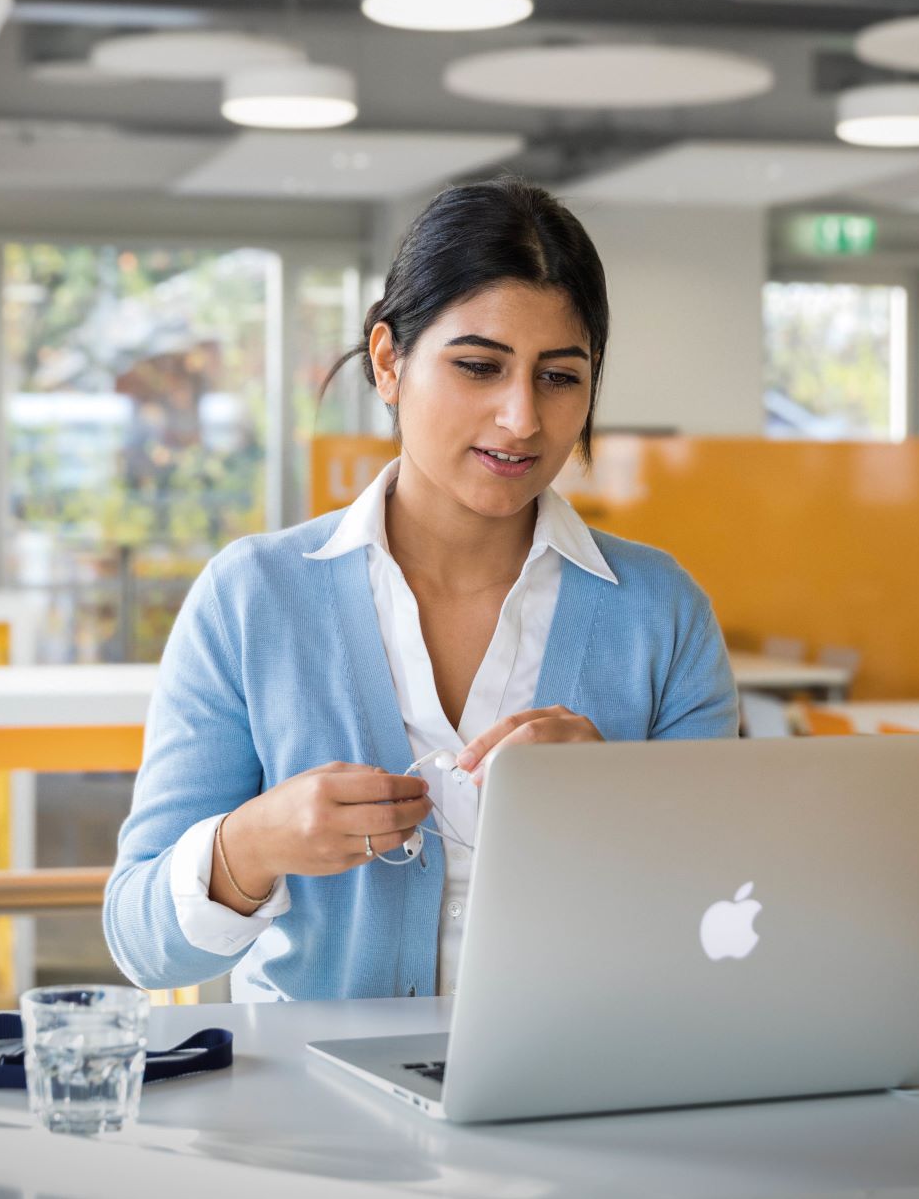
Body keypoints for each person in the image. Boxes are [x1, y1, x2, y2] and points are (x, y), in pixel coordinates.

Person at [104, 176, 738, 1002]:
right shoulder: (251, 598)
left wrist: (613, 808)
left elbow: (723, 921)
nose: (521, 418)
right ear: (388, 362)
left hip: (581, 1089)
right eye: (479, 367)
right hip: (315, 1112)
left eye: (560, 377)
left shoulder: (661, 611)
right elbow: (142, 945)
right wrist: (248, 847)